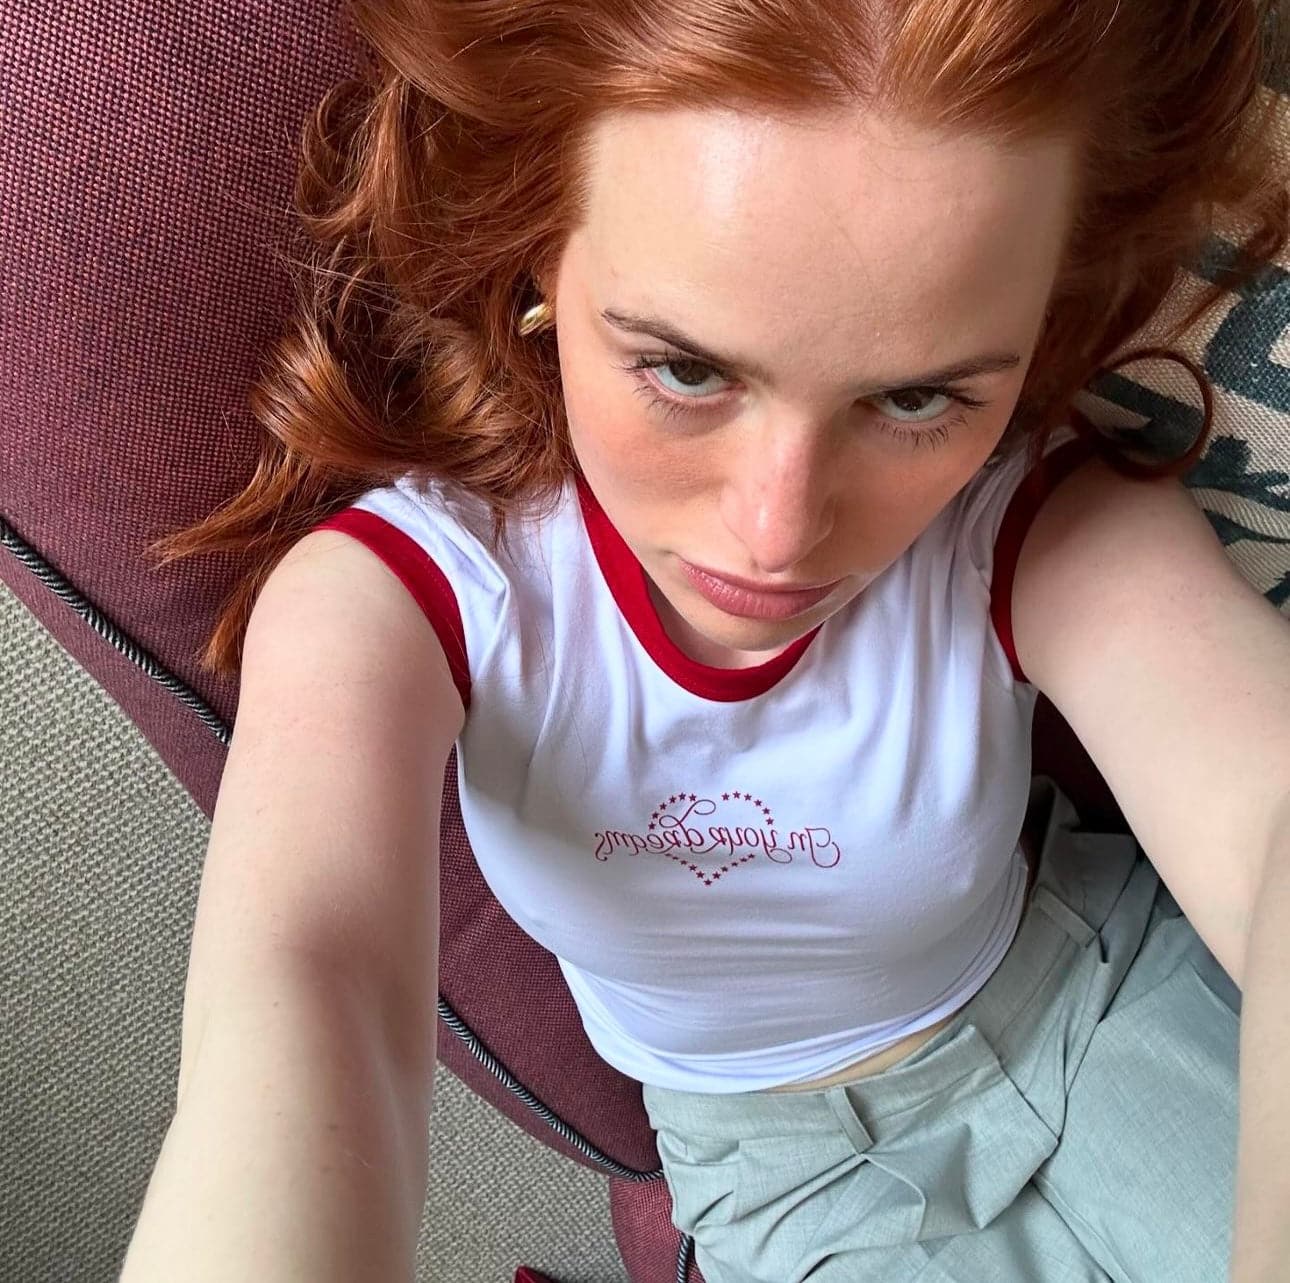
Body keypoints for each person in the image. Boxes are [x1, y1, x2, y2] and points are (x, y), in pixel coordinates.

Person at [120, 1, 1290, 1281]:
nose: (778, 534)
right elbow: (312, 974)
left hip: (1101, 991)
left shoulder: (1037, 529)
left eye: (916, 397)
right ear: (538, 255)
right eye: (685, 370)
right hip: (778, 1177)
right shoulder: (408, 599)